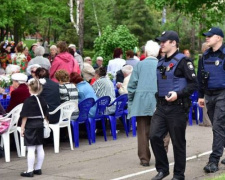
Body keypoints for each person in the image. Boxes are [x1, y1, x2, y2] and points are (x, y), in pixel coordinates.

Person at [150, 31, 197, 180]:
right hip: (162, 106)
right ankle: (163, 169)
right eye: (160, 41)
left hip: (178, 107)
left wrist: (179, 94)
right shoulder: (161, 61)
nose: (161, 44)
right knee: (154, 136)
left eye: (164, 41)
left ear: (174, 43)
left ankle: (178, 175)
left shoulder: (184, 61)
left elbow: (193, 84)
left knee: (178, 142)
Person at [128, 40, 159, 167]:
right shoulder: (161, 64)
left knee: (142, 132)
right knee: (160, 130)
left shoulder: (139, 65)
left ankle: (144, 158)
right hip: (158, 101)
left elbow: (131, 86)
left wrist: (131, 100)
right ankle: (161, 154)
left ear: (145, 52)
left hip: (140, 102)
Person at [197, 27, 225, 173]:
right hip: (209, 95)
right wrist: (201, 96)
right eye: (206, 36)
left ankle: (213, 160)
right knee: (218, 125)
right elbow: (200, 78)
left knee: (218, 126)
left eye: (210, 36)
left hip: (223, 94)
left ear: (219, 38)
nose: (207, 38)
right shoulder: (205, 56)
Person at [20, 78, 48, 177]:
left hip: (30, 125)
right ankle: (38, 168)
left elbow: (24, 116)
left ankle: (30, 170)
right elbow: (45, 113)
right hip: (40, 124)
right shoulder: (42, 99)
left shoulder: (28, 101)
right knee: (40, 147)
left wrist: (22, 128)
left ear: (29, 88)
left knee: (31, 148)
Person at [198, 42, 211, 127]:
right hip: (211, 85)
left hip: (205, 85)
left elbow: (199, 74)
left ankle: (207, 122)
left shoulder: (202, 58)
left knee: (204, 105)